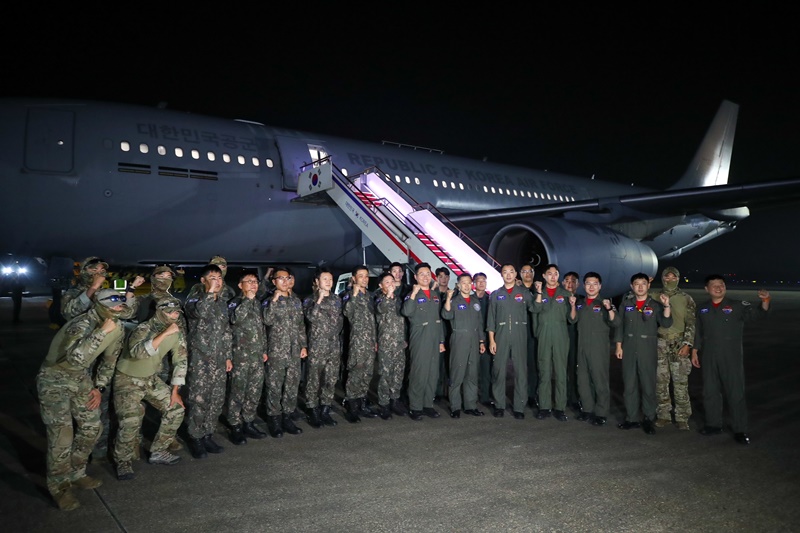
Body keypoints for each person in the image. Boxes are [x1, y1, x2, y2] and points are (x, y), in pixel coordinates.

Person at [36, 288, 126, 511]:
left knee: (92, 427)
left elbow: (109, 361)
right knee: (62, 436)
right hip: (54, 378)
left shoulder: (118, 326)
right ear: (102, 305)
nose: (120, 307)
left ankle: (76, 472)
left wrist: (99, 386)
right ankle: (60, 487)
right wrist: (102, 332)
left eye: (121, 303)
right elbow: (75, 358)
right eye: (114, 304)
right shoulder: (82, 324)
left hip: (81, 379)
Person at [113, 297, 187, 480]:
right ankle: (122, 461)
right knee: (130, 421)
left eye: (177, 312)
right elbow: (137, 353)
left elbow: (181, 361)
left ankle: (158, 451)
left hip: (150, 379)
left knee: (176, 409)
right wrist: (163, 335)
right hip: (127, 380)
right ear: (160, 312)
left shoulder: (176, 332)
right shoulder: (143, 329)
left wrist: (175, 391)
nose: (174, 316)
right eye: (171, 312)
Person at [692, 275, 770, 445]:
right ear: (707, 289)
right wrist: (695, 350)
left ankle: (740, 429)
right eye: (714, 285)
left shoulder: (737, 305)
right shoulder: (702, 309)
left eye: (721, 285)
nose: (718, 288)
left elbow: (758, 315)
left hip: (731, 356)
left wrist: (765, 301)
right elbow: (698, 332)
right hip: (709, 355)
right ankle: (713, 424)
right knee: (710, 391)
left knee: (735, 391)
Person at [184, 264, 233, 458]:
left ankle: (208, 434)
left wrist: (228, 356)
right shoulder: (194, 300)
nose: (218, 281)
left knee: (216, 398)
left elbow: (226, 332)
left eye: (219, 278)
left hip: (219, 359)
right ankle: (195, 436)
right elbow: (200, 313)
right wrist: (209, 292)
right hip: (200, 359)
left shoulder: (221, 303)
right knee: (199, 399)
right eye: (213, 278)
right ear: (203, 281)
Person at [615, 273, 672, 435]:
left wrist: (667, 306)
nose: (640, 286)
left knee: (648, 385)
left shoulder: (655, 305)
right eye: (636, 284)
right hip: (629, 346)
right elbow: (620, 327)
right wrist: (619, 347)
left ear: (648, 285)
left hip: (647, 347)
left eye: (643, 283)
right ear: (632, 286)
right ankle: (631, 418)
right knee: (629, 384)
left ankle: (648, 418)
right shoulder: (626, 304)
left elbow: (666, 323)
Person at [262, 267, 308, 437]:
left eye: (287, 277)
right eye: (280, 278)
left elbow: (301, 325)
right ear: (274, 282)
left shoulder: (296, 301)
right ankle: (274, 419)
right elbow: (267, 321)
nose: (284, 281)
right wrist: (274, 300)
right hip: (276, 352)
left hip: (294, 350)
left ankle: (287, 417)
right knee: (274, 386)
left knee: (292, 385)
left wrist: (303, 345)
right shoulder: (268, 301)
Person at [650, 267, 696, 431]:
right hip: (660, 343)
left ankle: (682, 417)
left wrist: (687, 344)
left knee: (680, 381)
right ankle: (663, 415)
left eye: (673, 277)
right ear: (662, 279)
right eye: (667, 277)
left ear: (678, 278)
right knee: (660, 382)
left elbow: (691, 323)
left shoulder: (686, 298)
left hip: (679, 343)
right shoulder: (654, 296)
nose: (670, 280)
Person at [486, 264, 535, 419]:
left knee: (521, 371)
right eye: (505, 272)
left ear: (516, 274)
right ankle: (499, 405)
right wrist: (491, 340)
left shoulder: (524, 293)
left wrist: (539, 292)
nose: (508, 275)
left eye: (511, 272)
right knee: (498, 371)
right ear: (501, 275)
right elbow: (491, 319)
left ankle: (519, 406)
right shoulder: (495, 294)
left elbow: (535, 309)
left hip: (519, 335)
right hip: (500, 336)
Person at [225, 271, 269, 444]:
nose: (253, 284)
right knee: (238, 392)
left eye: (255, 281)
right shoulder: (234, 303)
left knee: (254, 391)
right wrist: (247, 300)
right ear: (240, 285)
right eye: (248, 281)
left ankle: (249, 421)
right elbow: (235, 320)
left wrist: (264, 349)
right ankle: (235, 425)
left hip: (257, 356)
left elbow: (261, 330)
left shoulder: (257, 304)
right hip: (240, 357)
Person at [572, 272, 619, 426]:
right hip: (582, 346)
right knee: (583, 379)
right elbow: (572, 319)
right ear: (584, 286)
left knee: (600, 380)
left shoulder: (605, 303)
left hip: (598, 347)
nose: (591, 287)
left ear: (600, 286)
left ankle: (601, 412)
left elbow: (615, 322)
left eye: (594, 284)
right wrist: (572, 306)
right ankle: (587, 409)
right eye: (588, 284)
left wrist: (609, 308)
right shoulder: (580, 303)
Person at [401, 263, 446, 420]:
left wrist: (441, 341)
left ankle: (428, 405)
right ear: (416, 277)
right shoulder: (412, 294)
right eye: (422, 274)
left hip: (434, 337)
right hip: (420, 338)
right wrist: (413, 294)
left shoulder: (434, 295)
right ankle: (415, 407)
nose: (425, 277)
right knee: (419, 373)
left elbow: (438, 319)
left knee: (432, 373)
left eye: (428, 274)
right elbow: (406, 311)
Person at [531, 264, 575, 421]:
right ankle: (544, 407)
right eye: (549, 274)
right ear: (544, 276)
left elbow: (572, 319)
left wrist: (572, 305)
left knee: (561, 372)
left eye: (555, 274)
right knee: (544, 370)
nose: (552, 276)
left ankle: (560, 408)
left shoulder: (565, 293)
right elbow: (534, 311)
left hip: (560, 335)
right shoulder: (538, 293)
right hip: (544, 334)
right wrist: (537, 333)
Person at [302, 267, 344, 427]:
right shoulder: (309, 300)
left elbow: (339, 322)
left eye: (330, 279)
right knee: (313, 380)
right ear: (317, 282)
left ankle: (325, 409)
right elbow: (311, 318)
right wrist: (319, 300)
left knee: (330, 379)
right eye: (325, 279)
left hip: (333, 346)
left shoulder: (337, 300)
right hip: (317, 346)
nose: (328, 282)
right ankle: (312, 410)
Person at [442, 273, 486, 417]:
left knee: (472, 374)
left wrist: (481, 341)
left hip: (474, 339)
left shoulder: (475, 301)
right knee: (457, 373)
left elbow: (479, 323)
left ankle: (470, 405)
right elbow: (446, 315)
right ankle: (455, 407)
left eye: (468, 283)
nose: (466, 286)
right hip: (459, 338)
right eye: (463, 283)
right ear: (458, 285)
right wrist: (448, 298)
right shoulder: (454, 301)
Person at [341, 265, 379, 422]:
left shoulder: (370, 296)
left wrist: (375, 340)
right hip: (357, 343)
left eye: (366, 276)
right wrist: (355, 295)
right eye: (361, 276)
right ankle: (352, 405)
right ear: (354, 278)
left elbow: (373, 321)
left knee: (367, 373)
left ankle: (362, 402)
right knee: (355, 373)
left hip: (369, 342)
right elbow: (347, 312)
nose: (364, 279)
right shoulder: (348, 295)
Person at [374, 271, 408, 419]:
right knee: (385, 375)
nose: (391, 284)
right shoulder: (379, 299)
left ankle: (395, 400)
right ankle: (384, 403)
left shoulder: (399, 300)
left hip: (399, 344)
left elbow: (404, 321)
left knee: (398, 374)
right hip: (386, 344)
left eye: (392, 281)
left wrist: (405, 338)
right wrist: (388, 296)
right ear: (381, 286)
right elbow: (381, 310)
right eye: (387, 282)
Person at [518, 264, 540, 409]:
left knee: (533, 366)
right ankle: (521, 395)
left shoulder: (538, 290)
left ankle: (532, 395)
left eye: (529, 271)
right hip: (519, 332)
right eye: (524, 271)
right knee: (519, 366)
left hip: (535, 333)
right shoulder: (517, 290)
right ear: (520, 273)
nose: (527, 274)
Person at [562, 271, 582, 414]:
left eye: (573, 281)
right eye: (567, 280)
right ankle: (560, 399)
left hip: (576, 339)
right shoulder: (558, 299)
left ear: (578, 284)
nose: (570, 283)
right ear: (563, 283)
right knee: (559, 370)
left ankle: (574, 399)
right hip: (560, 338)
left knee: (574, 370)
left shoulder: (582, 300)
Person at [472, 272, 493, 408]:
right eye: (478, 281)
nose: (481, 283)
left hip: (486, 339)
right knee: (471, 371)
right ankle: (470, 397)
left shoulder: (491, 299)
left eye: (484, 281)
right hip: (471, 339)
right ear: (474, 284)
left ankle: (485, 396)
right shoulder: (467, 298)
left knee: (486, 370)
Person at [434, 266, 451, 400]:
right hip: (436, 333)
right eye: (440, 277)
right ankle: (437, 392)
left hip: (450, 332)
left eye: (445, 277)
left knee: (449, 363)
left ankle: (446, 391)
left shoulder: (453, 294)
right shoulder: (433, 294)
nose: (443, 279)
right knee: (437, 363)